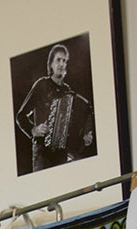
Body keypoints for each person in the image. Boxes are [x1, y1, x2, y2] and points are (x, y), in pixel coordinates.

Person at [16, 43, 95, 172]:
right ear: (51, 63)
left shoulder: (68, 91)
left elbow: (74, 125)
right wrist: (33, 130)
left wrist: (84, 138)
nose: (61, 64)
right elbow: (20, 116)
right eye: (58, 60)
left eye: (64, 61)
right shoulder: (42, 84)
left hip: (62, 156)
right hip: (42, 154)